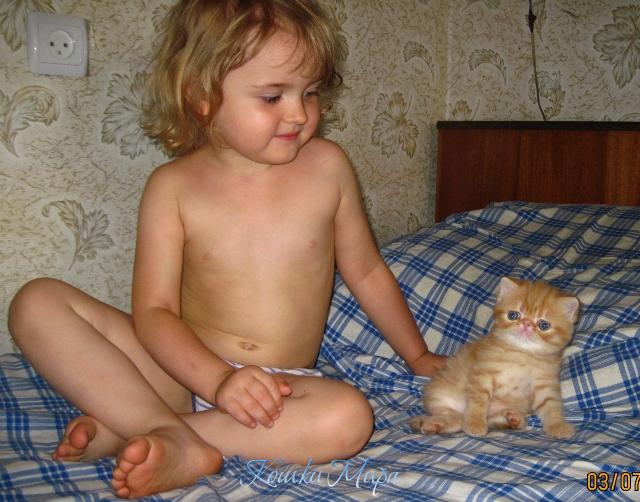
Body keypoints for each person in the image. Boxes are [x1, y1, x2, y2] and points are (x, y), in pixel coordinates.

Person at [8, 0, 445, 498]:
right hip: (181, 371)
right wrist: (216, 381)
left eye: (310, 92)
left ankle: (148, 432)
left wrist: (418, 355)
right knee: (36, 301)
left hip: (278, 389)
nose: (299, 113)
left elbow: (366, 272)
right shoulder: (173, 187)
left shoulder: (328, 168)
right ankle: (165, 427)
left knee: (349, 417)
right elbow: (153, 313)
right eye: (272, 96)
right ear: (202, 97)